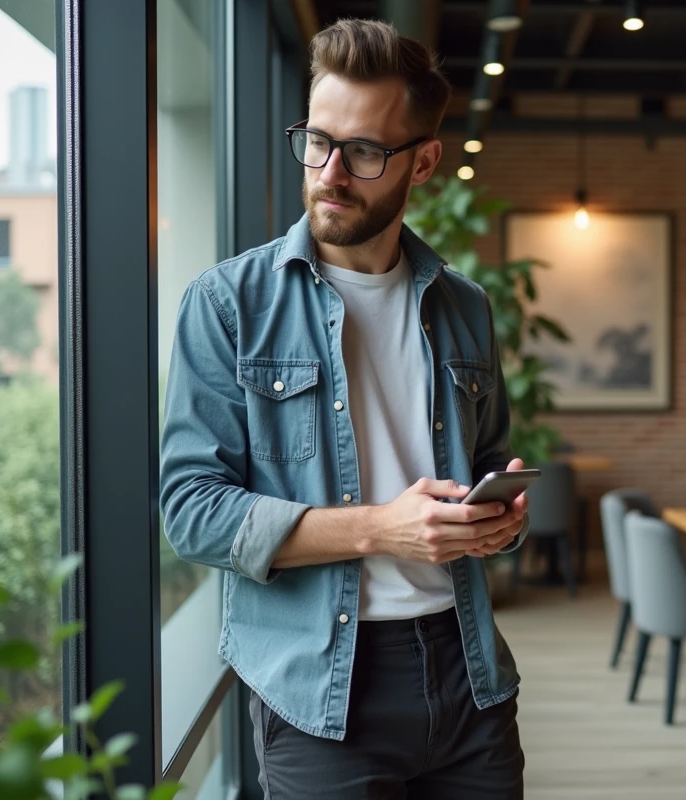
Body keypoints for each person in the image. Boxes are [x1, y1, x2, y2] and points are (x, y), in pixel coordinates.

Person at [159, 19, 528, 798]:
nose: (329, 172)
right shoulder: (228, 304)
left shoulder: (465, 306)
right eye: (317, 141)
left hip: (469, 676)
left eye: (363, 152)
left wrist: (497, 511)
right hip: (321, 693)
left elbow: (490, 455)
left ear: (423, 161)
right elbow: (192, 511)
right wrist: (382, 529)